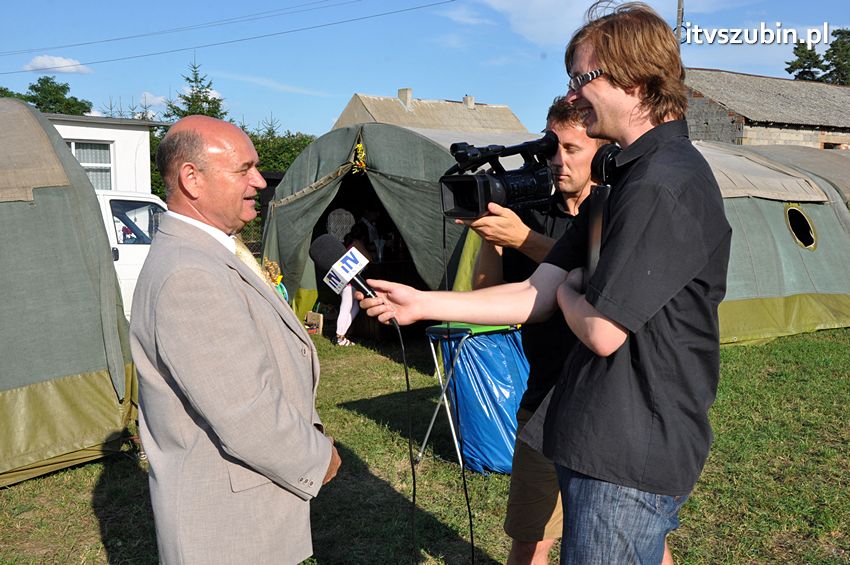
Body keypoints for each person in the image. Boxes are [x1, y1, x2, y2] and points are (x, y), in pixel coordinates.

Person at [358, 3, 731, 564]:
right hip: (598, 435)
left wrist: (566, 292)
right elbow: (534, 294)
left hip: (628, 448)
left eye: (581, 79)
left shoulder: (662, 184)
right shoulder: (620, 183)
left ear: (633, 79)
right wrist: (422, 302)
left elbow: (602, 330)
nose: (572, 96)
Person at [130, 115, 341, 565]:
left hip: (244, 511)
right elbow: (245, 411)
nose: (260, 181)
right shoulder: (190, 273)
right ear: (192, 179)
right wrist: (318, 457)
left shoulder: (210, 252)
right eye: (244, 169)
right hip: (226, 528)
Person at [461, 97, 599, 565]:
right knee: (530, 538)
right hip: (542, 402)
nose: (558, 160)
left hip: (606, 405)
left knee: (628, 538)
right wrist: (491, 239)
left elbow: (595, 277)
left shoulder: (616, 209)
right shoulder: (534, 211)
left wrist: (523, 239)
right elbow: (489, 295)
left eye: (572, 149)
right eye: (551, 147)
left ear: (600, 149)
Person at [335, 221, 372, 346]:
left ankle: (342, 334)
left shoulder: (351, 244)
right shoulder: (357, 244)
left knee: (354, 307)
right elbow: (370, 259)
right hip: (349, 282)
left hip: (347, 281)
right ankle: (340, 336)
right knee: (347, 307)